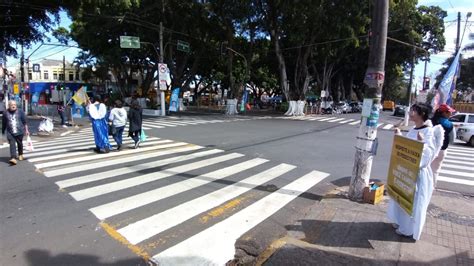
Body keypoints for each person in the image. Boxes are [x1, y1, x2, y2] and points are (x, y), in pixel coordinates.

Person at [387, 103, 440, 240]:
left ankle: (408, 229)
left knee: (412, 202)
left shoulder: (429, 132)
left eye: (413, 111)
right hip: (406, 170)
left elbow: (428, 156)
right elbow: (407, 147)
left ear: (422, 114)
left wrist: (422, 144)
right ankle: (400, 222)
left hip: (417, 175)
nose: (410, 113)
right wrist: (399, 136)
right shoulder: (413, 129)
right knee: (400, 198)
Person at [430, 104, 455, 187]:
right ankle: (432, 187)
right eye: (449, 112)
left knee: (425, 168)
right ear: (444, 113)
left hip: (430, 149)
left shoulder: (430, 121)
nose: (450, 114)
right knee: (435, 170)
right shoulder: (450, 125)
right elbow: (452, 140)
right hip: (441, 151)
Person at [2, 100, 28, 165]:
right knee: (12, 144)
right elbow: (4, 123)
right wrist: (3, 130)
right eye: (12, 105)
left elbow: (24, 122)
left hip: (19, 131)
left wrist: (26, 130)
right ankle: (13, 158)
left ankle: (20, 154)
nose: (13, 106)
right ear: (9, 106)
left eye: (14, 105)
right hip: (10, 132)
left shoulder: (20, 111)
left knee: (20, 143)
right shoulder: (5, 113)